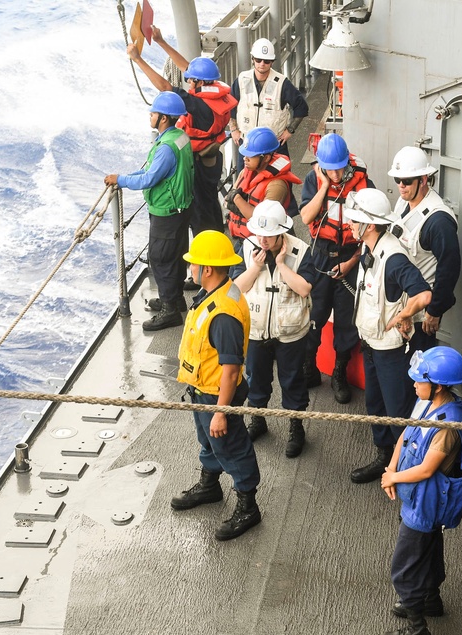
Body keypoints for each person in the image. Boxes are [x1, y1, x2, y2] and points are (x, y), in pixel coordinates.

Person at [379, 346, 462, 635]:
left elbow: (426, 469)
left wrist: (393, 478)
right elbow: (406, 436)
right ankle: (430, 599)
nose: (414, 384)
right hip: (419, 498)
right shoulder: (427, 403)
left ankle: (417, 631)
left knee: (404, 566)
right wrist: (391, 468)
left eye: (419, 380)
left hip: (428, 503)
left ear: (439, 385)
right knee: (429, 549)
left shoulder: (448, 425)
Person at [170, 230, 263, 541]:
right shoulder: (219, 292)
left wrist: (222, 412)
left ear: (207, 269)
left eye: (193, 264)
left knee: (232, 448)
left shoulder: (223, 314)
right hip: (202, 391)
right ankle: (210, 485)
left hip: (217, 395)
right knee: (209, 442)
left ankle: (248, 507)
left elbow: (231, 368)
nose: (190, 269)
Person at [343, 189, 432, 484]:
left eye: (355, 220)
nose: (350, 224)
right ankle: (385, 457)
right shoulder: (370, 247)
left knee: (398, 414)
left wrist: (406, 314)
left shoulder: (393, 258)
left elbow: (423, 293)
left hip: (391, 351)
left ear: (369, 224)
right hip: (371, 344)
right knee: (376, 406)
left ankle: (409, 473)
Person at [127, 32, 235, 239]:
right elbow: (188, 67)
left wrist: (138, 59)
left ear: (199, 81)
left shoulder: (200, 106)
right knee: (210, 201)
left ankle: (208, 250)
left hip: (199, 165)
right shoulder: (217, 93)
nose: (188, 81)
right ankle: (218, 236)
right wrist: (160, 41)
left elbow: (166, 88)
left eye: (190, 80)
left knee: (200, 210)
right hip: (212, 157)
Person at [231, 201, 316, 458]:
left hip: (290, 332)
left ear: (282, 233)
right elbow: (235, 291)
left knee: (292, 381)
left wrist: (281, 265)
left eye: (268, 235)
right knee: (255, 378)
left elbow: (304, 288)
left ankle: (295, 426)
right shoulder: (246, 248)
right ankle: (258, 420)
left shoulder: (301, 251)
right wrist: (255, 267)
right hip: (256, 331)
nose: (263, 240)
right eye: (260, 233)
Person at [105, 91, 193, 331]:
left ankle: (170, 311)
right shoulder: (180, 137)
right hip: (180, 209)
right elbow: (154, 171)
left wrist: (120, 180)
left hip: (166, 211)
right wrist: (124, 176)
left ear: (163, 118)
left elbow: (150, 178)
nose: (150, 116)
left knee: (161, 258)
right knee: (175, 255)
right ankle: (173, 299)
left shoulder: (165, 147)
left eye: (153, 113)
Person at [299, 133, 374, 403]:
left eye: (341, 167)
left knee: (345, 319)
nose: (338, 173)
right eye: (331, 169)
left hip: (349, 257)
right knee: (314, 314)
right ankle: (309, 366)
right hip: (320, 256)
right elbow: (306, 216)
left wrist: (351, 262)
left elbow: (371, 230)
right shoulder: (313, 180)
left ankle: (339, 371)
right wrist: (322, 186)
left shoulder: (363, 183)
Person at [387, 146, 461, 352]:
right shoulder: (403, 203)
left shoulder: (439, 222)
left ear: (424, 179)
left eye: (407, 181)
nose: (401, 186)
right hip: (400, 302)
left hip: (421, 313)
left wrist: (434, 312)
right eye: (398, 180)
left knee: (417, 371)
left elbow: (449, 269)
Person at [230, 38, 309, 171]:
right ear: (252, 59)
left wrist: (290, 130)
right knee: (244, 185)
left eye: (266, 61)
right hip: (247, 144)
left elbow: (301, 107)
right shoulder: (242, 80)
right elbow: (230, 106)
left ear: (272, 62)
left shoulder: (282, 83)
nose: (262, 64)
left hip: (274, 145)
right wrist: (233, 129)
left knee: (281, 182)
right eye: (258, 60)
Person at [225, 127, 301, 253]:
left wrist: (237, 199)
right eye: (245, 154)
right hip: (244, 240)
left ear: (265, 158)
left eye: (251, 156)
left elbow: (262, 221)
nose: (245, 158)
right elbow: (226, 201)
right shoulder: (245, 172)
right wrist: (239, 204)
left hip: (265, 246)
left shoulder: (277, 185)